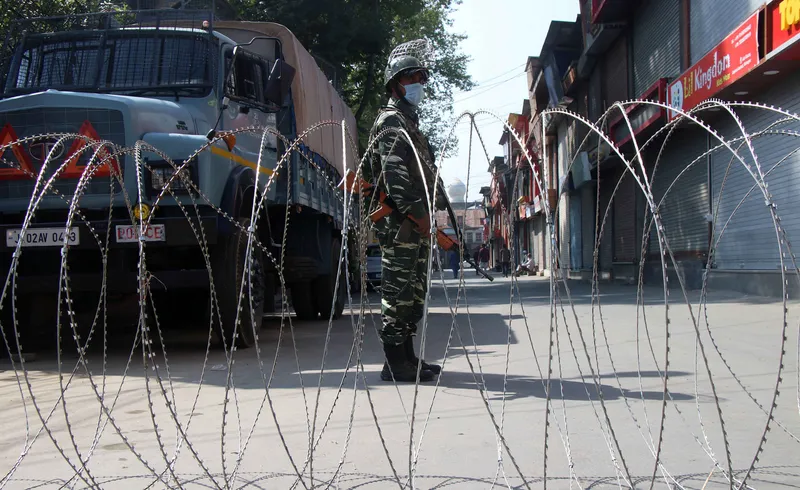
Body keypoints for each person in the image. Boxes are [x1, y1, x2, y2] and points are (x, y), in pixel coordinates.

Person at [364, 39, 447, 383]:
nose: (420, 85)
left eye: (422, 78)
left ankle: (406, 359)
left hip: (414, 224)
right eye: (413, 78)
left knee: (413, 292)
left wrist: (434, 206)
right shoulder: (391, 123)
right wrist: (422, 217)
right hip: (400, 225)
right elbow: (397, 182)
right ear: (396, 83)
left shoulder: (408, 122)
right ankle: (395, 363)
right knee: (397, 294)